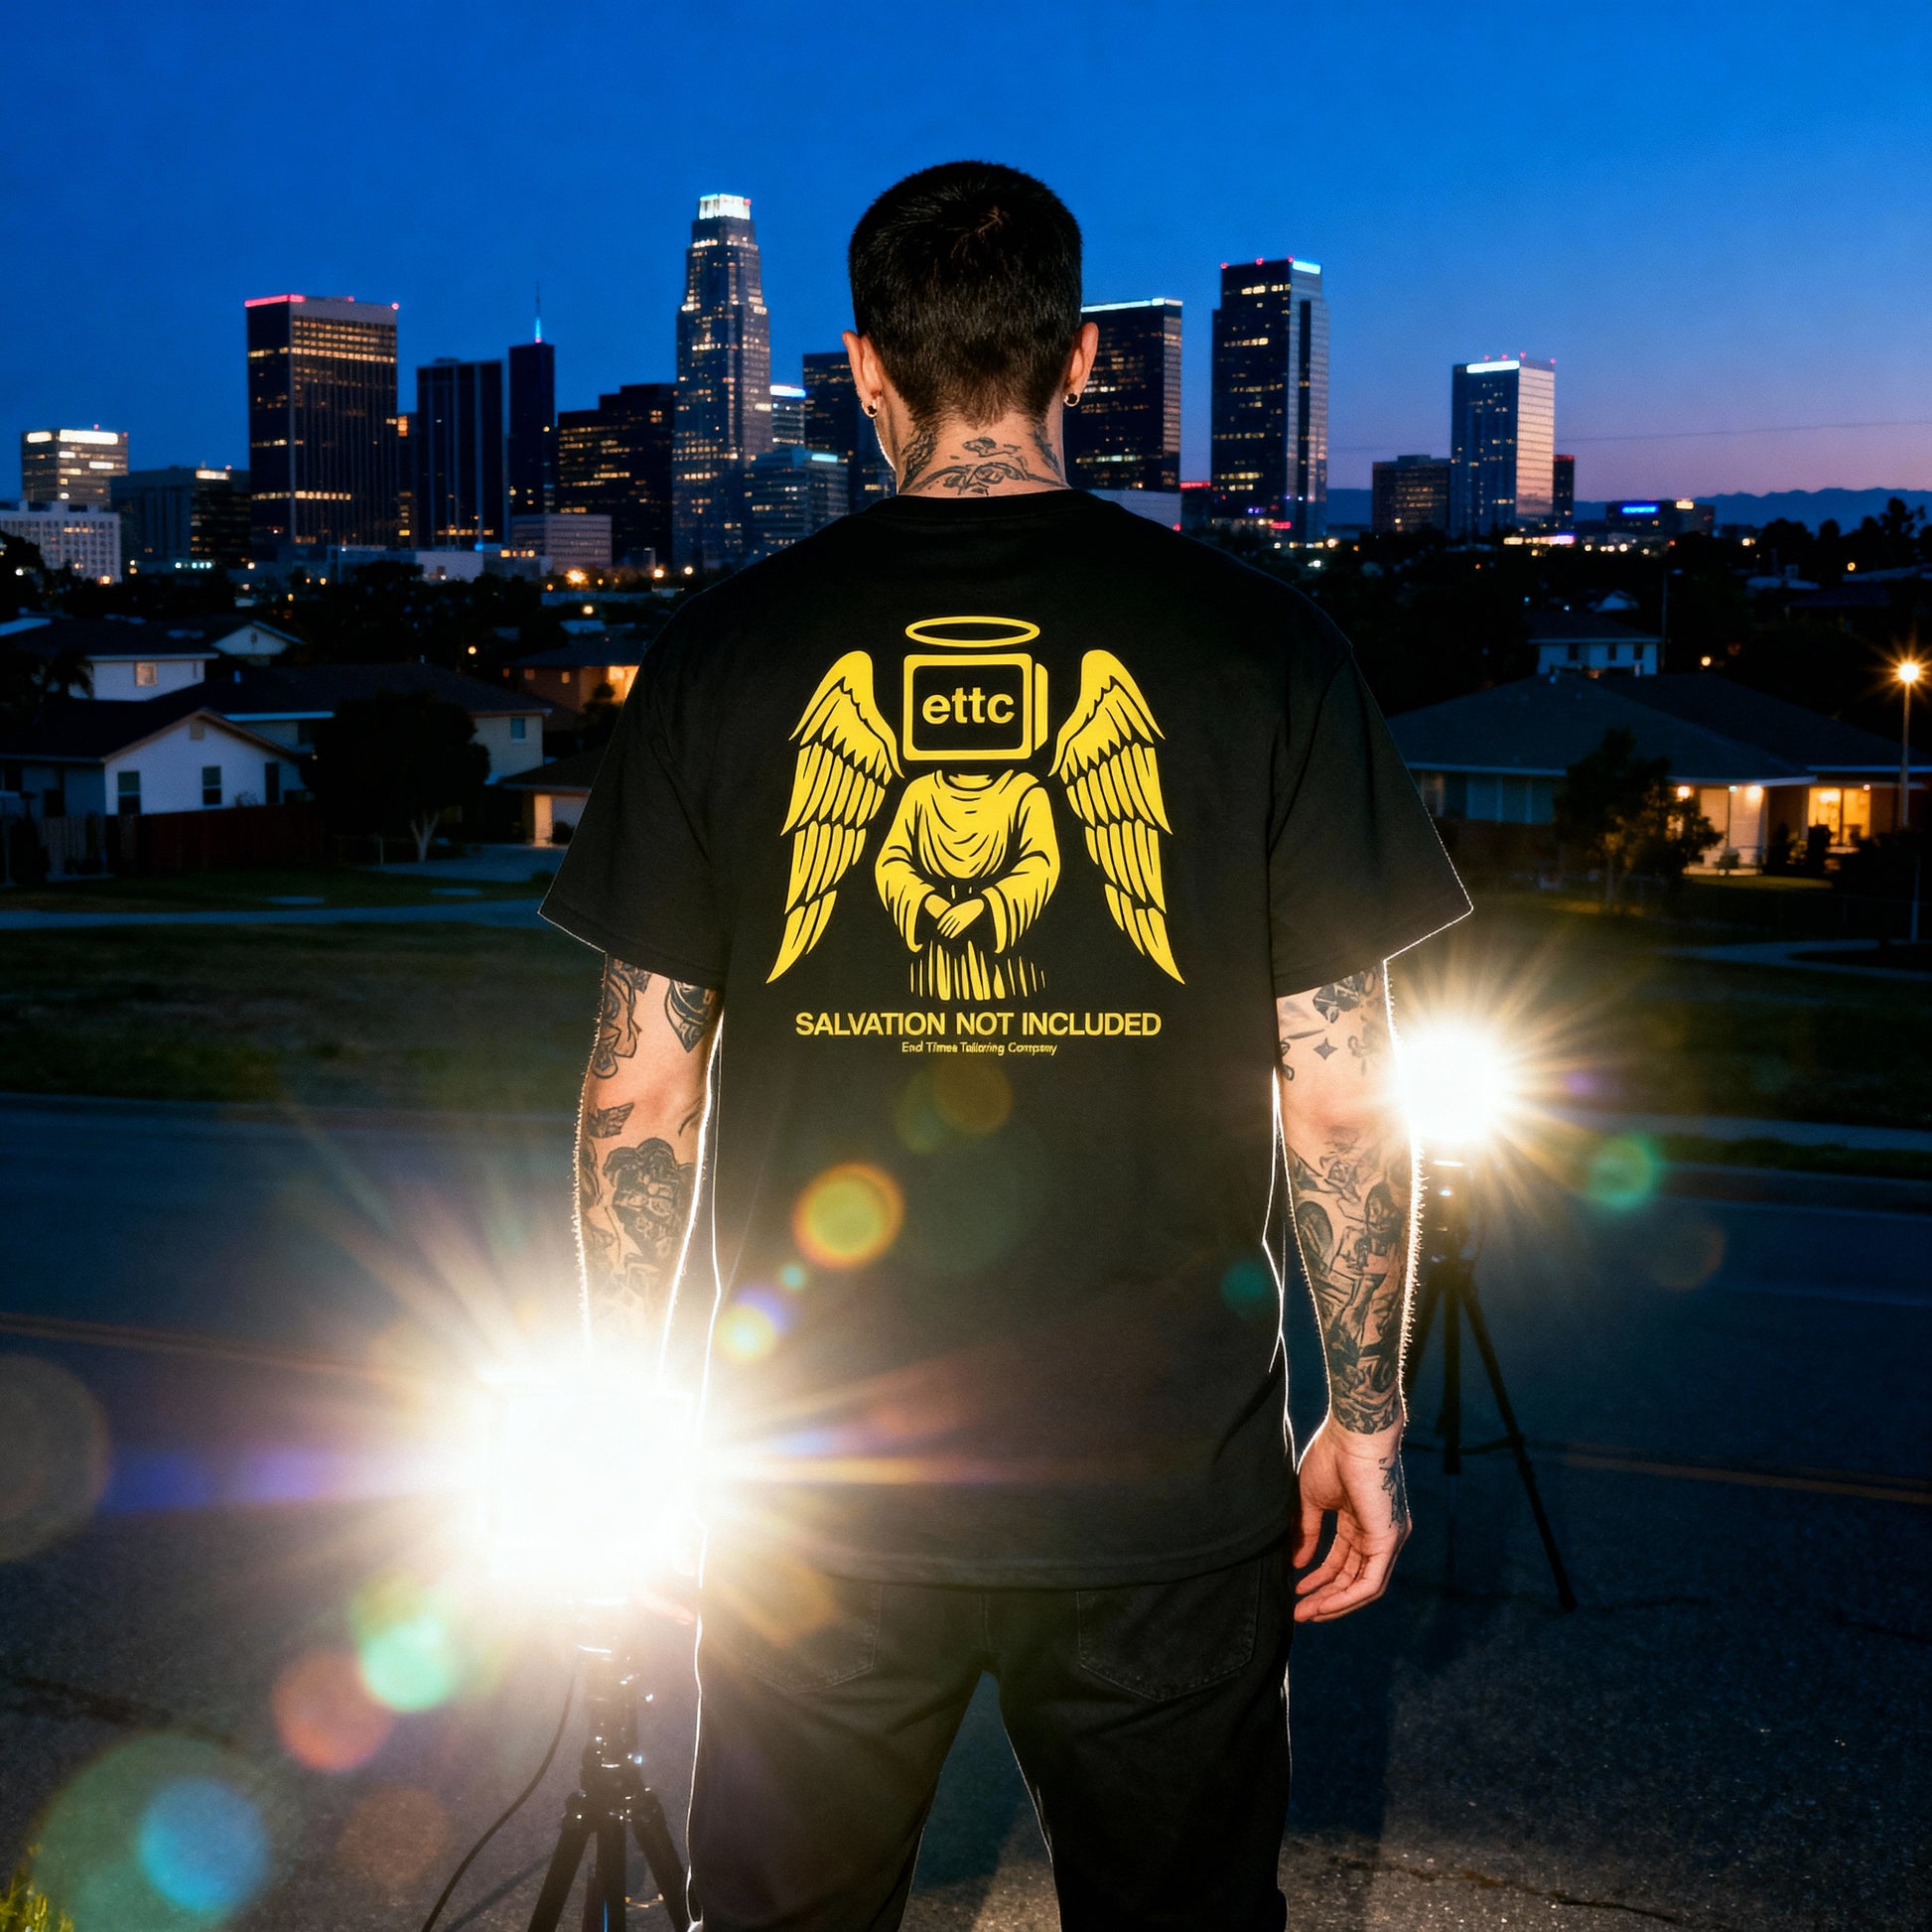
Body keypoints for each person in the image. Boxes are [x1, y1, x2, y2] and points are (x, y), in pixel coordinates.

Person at [543, 160, 1469, 1932]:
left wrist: (631, 1422)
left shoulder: (730, 653)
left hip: (813, 1490)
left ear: (861, 369)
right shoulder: (1260, 646)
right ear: (1076, 364)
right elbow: (1344, 1098)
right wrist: (1362, 1411)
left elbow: (638, 1091)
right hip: (1161, 1495)